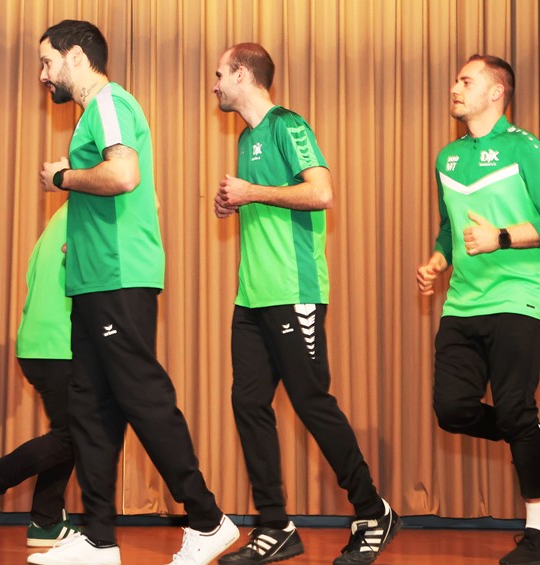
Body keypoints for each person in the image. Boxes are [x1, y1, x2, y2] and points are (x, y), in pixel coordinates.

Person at [28, 20, 238, 565]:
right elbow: (139, 200)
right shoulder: (92, 115)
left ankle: (208, 519)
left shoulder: (108, 103)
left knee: (143, 397)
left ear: (77, 57)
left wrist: (63, 178)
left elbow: (124, 176)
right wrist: (85, 235)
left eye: (48, 61)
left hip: (118, 280)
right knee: (90, 409)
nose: (43, 74)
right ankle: (98, 537)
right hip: (96, 280)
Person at [211, 43, 400, 565]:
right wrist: (235, 204)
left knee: (312, 402)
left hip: (294, 293)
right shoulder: (246, 138)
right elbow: (269, 200)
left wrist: (252, 192)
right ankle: (276, 525)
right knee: (248, 404)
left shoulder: (287, 125)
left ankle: (373, 511)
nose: (215, 84)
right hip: (252, 296)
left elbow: (321, 193)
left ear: (243, 74)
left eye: (220, 74)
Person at [417, 54, 540, 565]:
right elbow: (449, 226)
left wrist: (502, 237)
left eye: (466, 80)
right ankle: (526, 432)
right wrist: (438, 260)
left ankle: (539, 536)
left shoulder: (524, 148)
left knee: (513, 406)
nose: (455, 87)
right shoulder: (447, 158)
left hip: (519, 297)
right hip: (462, 304)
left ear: (496, 92)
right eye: (456, 80)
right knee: (452, 410)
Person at [0, 201, 81, 548]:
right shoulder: (88, 214)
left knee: (69, 433)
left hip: (43, 344)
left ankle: (46, 522)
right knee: (75, 435)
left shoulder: (63, 216)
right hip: (58, 344)